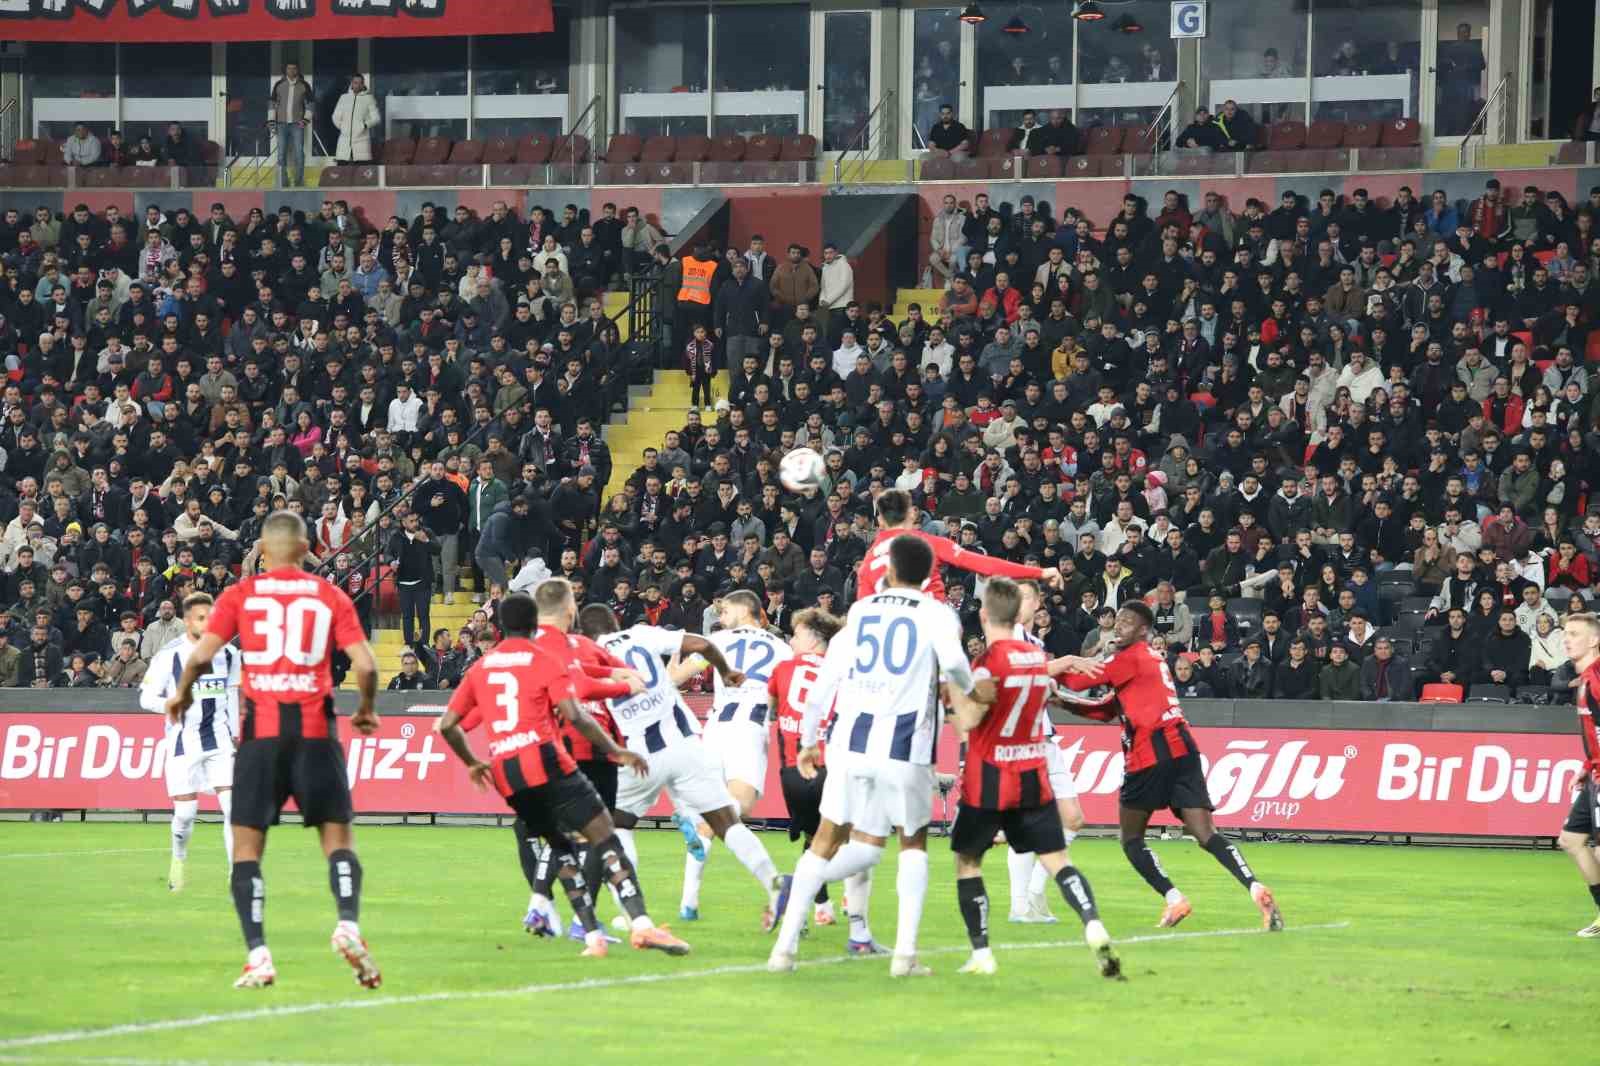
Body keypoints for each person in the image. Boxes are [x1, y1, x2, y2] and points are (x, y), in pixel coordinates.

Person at [164, 510, 382, 990]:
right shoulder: (330, 595)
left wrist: (180, 693)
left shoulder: (240, 595)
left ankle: (259, 956)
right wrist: (365, 708)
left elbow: (201, 656)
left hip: (261, 737)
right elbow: (365, 665)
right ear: (306, 549)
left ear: (261, 550)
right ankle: (347, 923)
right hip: (316, 734)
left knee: (246, 850)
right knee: (338, 842)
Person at [434, 590, 689, 959]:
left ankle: (591, 938)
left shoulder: (482, 666)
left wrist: (472, 762)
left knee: (561, 847)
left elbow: (447, 725)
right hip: (546, 759)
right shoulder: (545, 657)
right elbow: (575, 714)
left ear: (499, 625)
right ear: (536, 621)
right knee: (605, 837)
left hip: (507, 772)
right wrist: (615, 750)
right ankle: (642, 925)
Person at [769, 534, 980, 977]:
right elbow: (958, 667)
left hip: (849, 744)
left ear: (889, 570)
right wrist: (973, 690)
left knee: (825, 841)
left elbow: (826, 681)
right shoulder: (936, 613)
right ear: (927, 576)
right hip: (906, 745)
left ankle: (784, 951)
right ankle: (905, 956)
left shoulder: (861, 612)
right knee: (912, 844)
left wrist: (809, 740)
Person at [1054, 602, 1283, 932]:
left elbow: (1077, 681)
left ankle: (1174, 898)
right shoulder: (1146, 661)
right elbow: (1106, 710)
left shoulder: (1129, 657)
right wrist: (1060, 701)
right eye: (1118, 621)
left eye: (1128, 623)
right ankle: (1256, 888)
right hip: (1182, 746)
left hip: (1150, 751)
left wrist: (1044, 669)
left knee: (1131, 840)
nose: (1119, 627)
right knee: (1206, 834)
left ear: (1144, 631)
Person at [945, 577, 1121, 979]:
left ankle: (982, 953)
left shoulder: (988, 663)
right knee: (1057, 858)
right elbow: (1043, 700)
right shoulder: (1035, 657)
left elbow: (971, 722)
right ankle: (1092, 922)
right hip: (1032, 770)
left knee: (968, 861)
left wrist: (952, 693)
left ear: (986, 615)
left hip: (991, 775)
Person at [579, 602, 792, 933]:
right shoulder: (642, 634)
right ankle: (775, 884)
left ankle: (634, 915)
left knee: (617, 827)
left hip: (639, 756)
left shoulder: (588, 656)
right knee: (726, 821)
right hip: (686, 744)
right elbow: (704, 644)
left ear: (587, 634)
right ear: (616, 620)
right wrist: (725, 672)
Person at [765, 606, 881, 948]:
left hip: (792, 770)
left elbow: (773, 702)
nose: (792, 639)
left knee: (816, 842)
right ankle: (853, 920)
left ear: (815, 638)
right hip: (832, 765)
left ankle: (821, 908)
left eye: (797, 633)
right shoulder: (844, 668)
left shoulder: (784, 667)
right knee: (856, 840)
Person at [677, 590, 794, 918]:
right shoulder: (782, 648)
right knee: (740, 804)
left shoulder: (717, 642)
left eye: (725, 611)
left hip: (713, 728)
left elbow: (679, 676)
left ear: (747, 610)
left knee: (710, 819)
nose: (721, 617)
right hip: (749, 726)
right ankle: (773, 886)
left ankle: (689, 903)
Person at [139, 591, 240, 891]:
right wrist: (171, 704)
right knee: (185, 815)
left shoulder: (229, 654)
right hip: (184, 743)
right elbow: (145, 698)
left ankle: (238, 875)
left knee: (235, 809)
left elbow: (232, 692)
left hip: (220, 741)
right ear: (187, 621)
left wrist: (235, 731)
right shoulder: (169, 656)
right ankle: (178, 860)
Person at [1004, 580, 1087, 924]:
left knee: (1073, 819)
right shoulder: (1007, 636)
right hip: (1020, 741)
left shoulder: (1034, 641)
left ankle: (1036, 891)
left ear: (1038, 602)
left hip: (1044, 736)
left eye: (1026, 597)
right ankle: (1019, 905)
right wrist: (1067, 661)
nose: (1021, 603)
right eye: (1016, 597)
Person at [856, 488, 1061, 601]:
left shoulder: (867, 562)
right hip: (930, 634)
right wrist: (1040, 573)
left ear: (880, 521)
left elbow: (861, 611)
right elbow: (986, 565)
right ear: (911, 514)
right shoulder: (928, 543)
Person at [1557, 612, 1600, 937]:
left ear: (1594, 640)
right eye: (1565, 633)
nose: (1566, 638)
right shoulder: (1585, 679)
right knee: (1571, 840)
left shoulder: (1597, 679)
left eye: (1574, 633)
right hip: (1594, 773)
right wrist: (1586, 768)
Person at [268, 61, 313, 188]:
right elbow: (272, 103)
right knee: (281, 153)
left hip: (297, 125)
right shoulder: (279, 84)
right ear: (285, 70)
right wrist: (271, 121)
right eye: (289, 68)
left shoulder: (304, 85)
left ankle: (298, 182)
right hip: (281, 124)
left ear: (297, 70)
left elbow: (311, 104)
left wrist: (305, 120)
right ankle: (283, 182)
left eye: (294, 68)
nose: (291, 71)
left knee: (299, 153)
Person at [332, 74, 381, 165]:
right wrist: (343, 128)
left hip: (362, 142)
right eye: (355, 83)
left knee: (361, 174)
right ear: (352, 84)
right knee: (342, 173)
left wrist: (364, 126)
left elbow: (376, 118)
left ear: (363, 85)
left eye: (360, 83)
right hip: (344, 142)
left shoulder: (369, 98)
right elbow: (335, 117)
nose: (357, 85)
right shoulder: (344, 98)